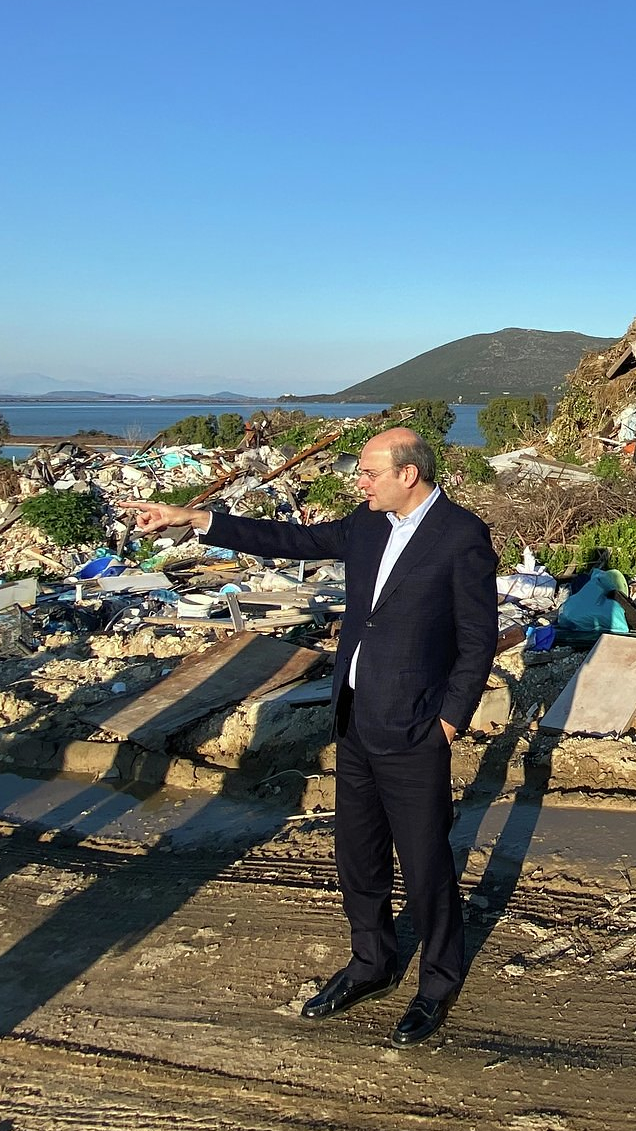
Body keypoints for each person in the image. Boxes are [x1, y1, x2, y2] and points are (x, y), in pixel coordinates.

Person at [123, 426, 496, 1047]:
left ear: (409, 473)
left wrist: (449, 720)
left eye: (370, 472)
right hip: (352, 719)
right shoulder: (368, 524)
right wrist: (192, 518)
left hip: (413, 727)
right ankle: (371, 964)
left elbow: (478, 638)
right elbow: (287, 538)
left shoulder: (461, 536)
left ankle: (437, 981)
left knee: (427, 862)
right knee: (358, 855)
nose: (359, 480)